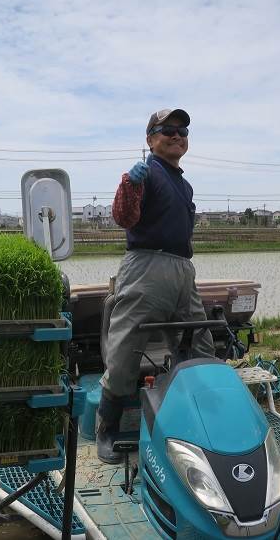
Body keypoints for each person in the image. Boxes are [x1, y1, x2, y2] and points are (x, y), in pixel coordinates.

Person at [96, 108, 215, 463]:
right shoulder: (146, 173)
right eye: (168, 130)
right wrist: (129, 184)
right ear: (150, 139)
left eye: (183, 130)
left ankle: (197, 420)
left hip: (182, 268)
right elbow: (124, 217)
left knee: (201, 344)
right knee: (125, 351)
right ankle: (108, 429)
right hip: (146, 265)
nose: (177, 135)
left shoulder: (184, 183)